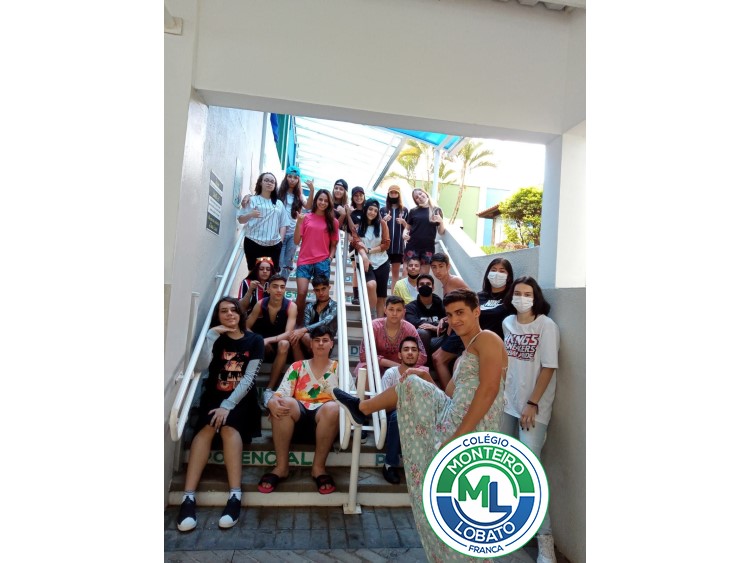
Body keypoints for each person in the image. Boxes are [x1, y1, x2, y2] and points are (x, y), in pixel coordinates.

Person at [333, 289, 508, 562]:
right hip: (454, 420)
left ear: (476, 312)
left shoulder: (488, 339)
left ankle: (362, 409)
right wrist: (424, 379)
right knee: (412, 382)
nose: (455, 319)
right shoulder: (463, 355)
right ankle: (362, 408)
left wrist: (459, 437)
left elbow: (489, 389)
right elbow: (449, 395)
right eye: (450, 314)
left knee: (469, 506)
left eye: (460, 312)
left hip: (472, 430)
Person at [176, 297, 265, 532]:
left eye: (234, 310)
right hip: (213, 396)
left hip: (241, 399)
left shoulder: (255, 340)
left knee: (227, 427)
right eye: (224, 311)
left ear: (241, 314)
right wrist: (212, 334)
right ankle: (188, 497)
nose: (229, 314)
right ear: (218, 316)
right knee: (206, 428)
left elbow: (249, 378)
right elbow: (200, 366)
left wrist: (228, 404)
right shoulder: (215, 338)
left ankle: (235, 494)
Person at [500, 276, 560, 563]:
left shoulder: (546, 326)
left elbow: (548, 367)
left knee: (529, 471)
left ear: (535, 297)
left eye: (527, 294)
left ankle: (545, 541)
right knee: (503, 466)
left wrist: (533, 403)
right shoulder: (507, 323)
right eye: (518, 293)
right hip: (508, 404)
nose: (522, 298)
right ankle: (513, 527)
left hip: (534, 407)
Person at [258, 325, 353, 495]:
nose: (321, 344)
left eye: (325, 340)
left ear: (332, 344)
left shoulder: (340, 369)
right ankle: (281, 467)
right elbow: (280, 394)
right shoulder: (297, 366)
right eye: (317, 340)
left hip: (326, 424)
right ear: (311, 344)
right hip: (297, 422)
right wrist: (271, 402)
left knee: (333, 407)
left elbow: (350, 399)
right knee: (284, 403)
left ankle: (318, 468)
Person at [432, 257, 514, 390]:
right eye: (493, 270)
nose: (497, 274)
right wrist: (447, 318)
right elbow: (463, 311)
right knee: (441, 360)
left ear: (509, 276)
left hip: (490, 343)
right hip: (468, 338)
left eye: (502, 271)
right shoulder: (479, 296)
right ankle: (449, 398)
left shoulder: (511, 299)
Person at [378, 336, 434, 485]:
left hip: (417, 414)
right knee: (399, 415)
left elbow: (437, 399)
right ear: (399, 354)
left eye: (414, 350)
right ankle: (390, 464)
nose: (410, 352)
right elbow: (384, 405)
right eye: (406, 349)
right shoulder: (391, 373)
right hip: (394, 415)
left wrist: (426, 377)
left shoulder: (423, 374)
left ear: (418, 355)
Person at [245, 274, 298, 407]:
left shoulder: (291, 306)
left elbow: (288, 333)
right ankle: (244, 384)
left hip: (281, 348)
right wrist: (260, 340)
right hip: (262, 346)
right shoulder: (260, 304)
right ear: (268, 289)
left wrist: (268, 340)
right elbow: (246, 327)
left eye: (282, 287)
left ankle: (269, 390)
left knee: (284, 344)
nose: (279, 290)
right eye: (275, 286)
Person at [293, 189, 339, 326]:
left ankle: (319, 326)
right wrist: (299, 223)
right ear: (315, 200)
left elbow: (334, 244)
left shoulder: (333, 222)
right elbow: (296, 241)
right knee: (301, 293)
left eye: (326, 201)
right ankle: (299, 325)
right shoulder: (306, 218)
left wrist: (330, 258)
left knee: (322, 296)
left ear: (329, 203)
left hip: (322, 262)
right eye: (320, 199)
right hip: (304, 261)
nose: (323, 203)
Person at [352, 295, 427, 379]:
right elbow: (364, 354)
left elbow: (422, 355)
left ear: (404, 312)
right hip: (378, 366)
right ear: (385, 310)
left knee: (423, 371)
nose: (394, 313)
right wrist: (392, 364)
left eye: (398, 310)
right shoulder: (374, 326)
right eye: (391, 309)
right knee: (365, 368)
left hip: (403, 367)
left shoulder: (410, 329)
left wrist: (404, 366)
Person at [350, 197, 391, 318]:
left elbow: (386, 244)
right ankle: (370, 315)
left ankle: (378, 322)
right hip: (365, 262)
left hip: (382, 262)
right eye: (370, 209)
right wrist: (364, 256)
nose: (372, 212)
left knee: (381, 296)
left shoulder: (382, 224)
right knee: (371, 285)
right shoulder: (357, 227)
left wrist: (369, 250)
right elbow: (356, 243)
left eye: (375, 210)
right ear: (365, 209)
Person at [236, 172, 285, 272]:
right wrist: (250, 214)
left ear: (275, 185)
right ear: (260, 183)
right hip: (253, 242)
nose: (269, 183)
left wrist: (281, 241)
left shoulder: (279, 203)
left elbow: (283, 224)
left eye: (272, 182)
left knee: (271, 275)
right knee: (254, 274)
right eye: (266, 180)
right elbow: (240, 219)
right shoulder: (252, 200)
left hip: (273, 245)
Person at [277, 165, 314, 277]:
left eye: (295, 177)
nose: (292, 180)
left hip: (293, 234)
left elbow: (308, 206)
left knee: (288, 263)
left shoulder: (299, 195)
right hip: (279, 232)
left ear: (298, 180)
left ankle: (283, 285)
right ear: (286, 177)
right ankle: (275, 284)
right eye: (290, 176)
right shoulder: (278, 192)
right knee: (278, 262)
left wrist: (312, 190)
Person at [289, 275, 338, 361]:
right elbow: (306, 325)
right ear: (314, 291)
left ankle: (313, 364)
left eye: (323, 289)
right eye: (317, 290)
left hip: (326, 341)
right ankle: (302, 367)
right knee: (297, 337)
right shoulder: (310, 306)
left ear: (329, 288)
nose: (321, 293)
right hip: (310, 340)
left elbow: (325, 321)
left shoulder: (335, 306)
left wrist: (303, 330)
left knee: (303, 335)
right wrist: (304, 331)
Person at [400, 187, 445, 274]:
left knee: (424, 276)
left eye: (420, 194)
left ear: (425, 193)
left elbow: (441, 232)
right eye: (416, 197)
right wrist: (404, 234)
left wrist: (441, 221)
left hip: (427, 248)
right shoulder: (413, 211)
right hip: (412, 246)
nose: (419, 197)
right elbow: (407, 228)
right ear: (416, 201)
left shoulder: (436, 210)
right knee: (406, 273)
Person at [404, 273, 446, 359]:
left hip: (440, 340)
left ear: (433, 287)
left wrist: (434, 328)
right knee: (422, 332)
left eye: (428, 284)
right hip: (419, 342)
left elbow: (448, 322)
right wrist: (437, 326)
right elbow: (413, 322)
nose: (425, 286)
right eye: (422, 284)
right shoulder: (410, 307)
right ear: (417, 288)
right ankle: (424, 361)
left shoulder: (443, 305)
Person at [379, 184, 409, 285]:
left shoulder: (404, 210)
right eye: (391, 193)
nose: (393, 194)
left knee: (395, 275)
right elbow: (377, 228)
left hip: (398, 247)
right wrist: (383, 220)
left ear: (399, 194)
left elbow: (409, 228)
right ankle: (382, 294)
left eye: (395, 193)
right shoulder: (383, 210)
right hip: (385, 247)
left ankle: (393, 294)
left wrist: (403, 222)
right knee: (383, 274)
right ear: (388, 194)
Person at [347, 186, 366, 305]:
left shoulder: (369, 209)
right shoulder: (351, 211)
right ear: (352, 197)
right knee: (356, 269)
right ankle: (356, 296)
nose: (358, 197)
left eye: (360, 195)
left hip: (367, 245)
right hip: (354, 245)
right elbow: (350, 229)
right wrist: (348, 215)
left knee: (367, 270)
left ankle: (365, 294)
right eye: (356, 195)